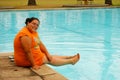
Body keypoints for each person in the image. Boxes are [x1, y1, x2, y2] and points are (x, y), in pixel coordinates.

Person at [14, 17, 80, 70]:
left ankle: (69, 57)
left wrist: (47, 54)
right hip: (24, 60)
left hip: (36, 55)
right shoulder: (25, 35)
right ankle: (71, 61)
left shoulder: (33, 32)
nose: (35, 26)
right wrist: (34, 65)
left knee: (50, 56)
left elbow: (40, 44)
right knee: (49, 60)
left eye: (37, 25)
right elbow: (27, 51)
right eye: (33, 24)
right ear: (28, 23)